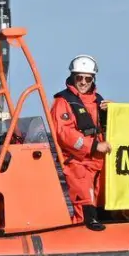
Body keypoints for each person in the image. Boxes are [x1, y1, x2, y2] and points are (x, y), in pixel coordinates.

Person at [50, 54, 111, 230]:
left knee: (103, 202)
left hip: (99, 161)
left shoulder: (99, 101)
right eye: (79, 78)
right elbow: (64, 133)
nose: (83, 82)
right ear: (72, 77)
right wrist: (92, 145)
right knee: (86, 204)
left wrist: (114, 110)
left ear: (93, 79)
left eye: (87, 78)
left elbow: (105, 127)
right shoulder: (63, 102)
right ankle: (83, 230)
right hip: (78, 162)